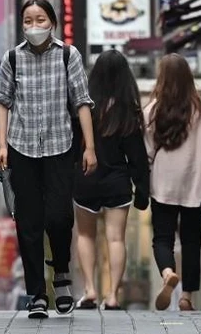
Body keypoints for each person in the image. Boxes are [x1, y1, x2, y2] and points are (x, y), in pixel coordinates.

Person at [0, 0, 98, 319]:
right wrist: (1, 145)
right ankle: (37, 294)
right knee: (28, 223)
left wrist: (90, 147)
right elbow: (2, 102)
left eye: (40, 19)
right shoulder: (12, 57)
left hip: (60, 147)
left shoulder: (69, 55)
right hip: (21, 148)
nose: (34, 25)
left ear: (52, 22)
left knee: (59, 217)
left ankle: (62, 275)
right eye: (28, 20)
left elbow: (82, 102)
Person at [144, 54, 201, 312]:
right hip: (195, 185)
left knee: (162, 238)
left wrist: (143, 183)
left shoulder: (151, 111)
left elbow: (148, 154)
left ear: (162, 79)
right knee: (191, 240)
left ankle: (167, 273)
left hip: (163, 185)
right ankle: (186, 296)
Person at [72, 50, 149, 311]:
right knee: (116, 238)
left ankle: (90, 290)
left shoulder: (83, 107)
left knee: (85, 235)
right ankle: (113, 295)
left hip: (85, 177)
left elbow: (73, 146)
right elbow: (137, 154)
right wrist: (142, 187)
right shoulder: (128, 110)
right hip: (118, 180)